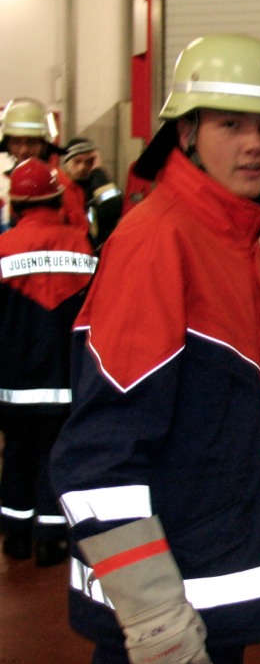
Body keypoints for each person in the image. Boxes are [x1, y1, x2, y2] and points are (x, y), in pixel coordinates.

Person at [47, 33, 260, 664]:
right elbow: (96, 458)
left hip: (207, 612)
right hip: (164, 622)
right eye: (231, 124)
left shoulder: (233, 241)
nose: (255, 144)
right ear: (186, 132)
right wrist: (153, 608)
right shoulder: (158, 243)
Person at [0, 158, 96, 566]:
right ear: (58, 199)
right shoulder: (82, 247)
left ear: (17, 203)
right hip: (66, 380)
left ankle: (16, 537)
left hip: (13, 382)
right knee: (56, 457)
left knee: (16, 454)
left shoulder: (3, 248)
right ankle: (52, 540)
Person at [1, 97, 88, 233]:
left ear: (44, 145)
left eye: (31, 142)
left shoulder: (59, 184)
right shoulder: (2, 184)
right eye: (16, 142)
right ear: (7, 145)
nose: (24, 150)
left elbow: (80, 231)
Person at [60, 136, 124, 250]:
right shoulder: (59, 189)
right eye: (77, 162)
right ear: (66, 163)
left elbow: (113, 210)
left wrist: (97, 171)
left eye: (88, 162)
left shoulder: (96, 183)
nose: (82, 167)